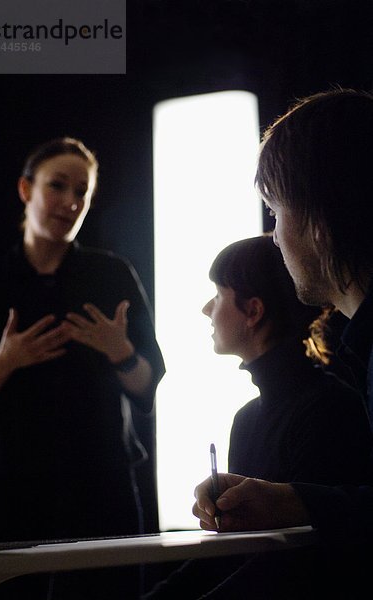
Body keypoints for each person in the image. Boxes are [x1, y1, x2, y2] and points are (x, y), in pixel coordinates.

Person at [193, 88, 373, 598]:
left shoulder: (331, 402)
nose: (273, 237)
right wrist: (295, 502)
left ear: (321, 217)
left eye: (275, 212)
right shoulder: (357, 360)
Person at [0, 137, 165, 598]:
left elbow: (147, 385)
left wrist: (119, 350)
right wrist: (7, 361)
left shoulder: (111, 274)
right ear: (25, 189)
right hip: (14, 487)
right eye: (57, 186)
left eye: (81, 190)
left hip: (104, 484)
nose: (70, 201)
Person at [143, 234, 373, 599]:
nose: (207, 308)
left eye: (218, 294)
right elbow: (236, 551)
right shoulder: (247, 418)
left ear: (253, 311)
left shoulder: (328, 410)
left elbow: (304, 563)